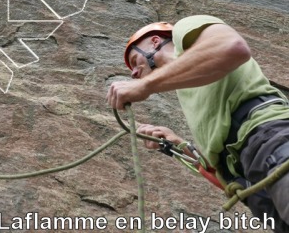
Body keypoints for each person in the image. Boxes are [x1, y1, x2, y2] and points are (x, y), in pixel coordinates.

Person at [107, 15, 289, 232]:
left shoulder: (184, 31)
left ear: (155, 41)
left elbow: (233, 47)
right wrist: (179, 146)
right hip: (254, 181)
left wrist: (145, 86)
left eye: (136, 62)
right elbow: (224, 179)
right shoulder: (189, 92)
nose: (134, 73)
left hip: (270, 138)